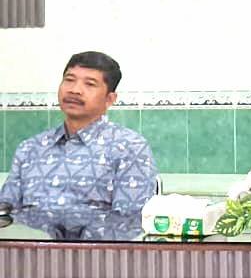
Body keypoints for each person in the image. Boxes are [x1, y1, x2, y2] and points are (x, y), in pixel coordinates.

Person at [0, 51, 157, 240]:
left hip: (96, 255)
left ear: (109, 99)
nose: (74, 90)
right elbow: (5, 212)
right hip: (27, 253)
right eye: (69, 80)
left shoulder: (129, 147)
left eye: (89, 84)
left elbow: (131, 223)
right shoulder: (30, 148)